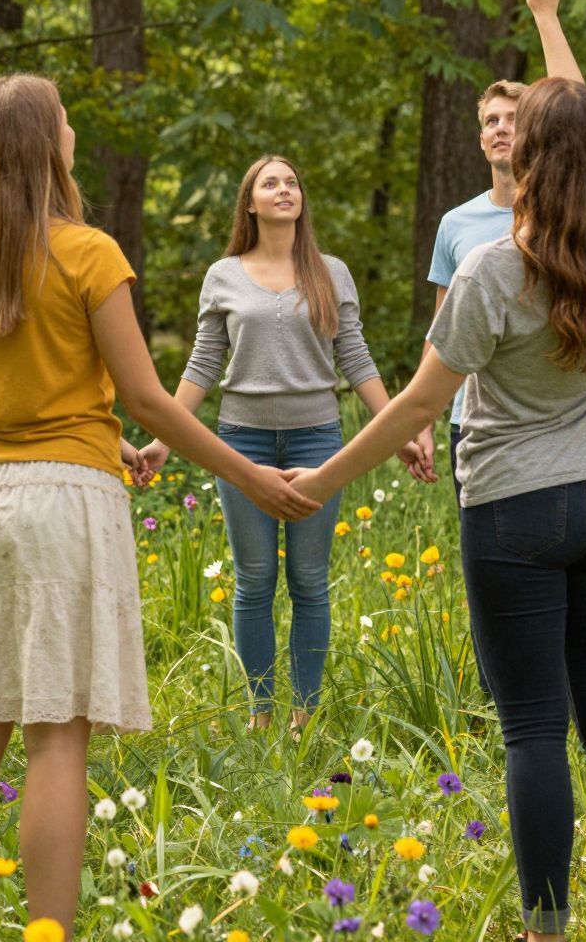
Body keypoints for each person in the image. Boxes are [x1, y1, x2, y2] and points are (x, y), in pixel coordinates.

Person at [0, 74, 317, 942]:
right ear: (39, 143)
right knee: (58, 736)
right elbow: (148, 398)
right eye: (62, 119)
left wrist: (24, 466)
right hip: (67, 502)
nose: (70, 128)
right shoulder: (88, 251)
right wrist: (250, 474)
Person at [294, 76, 586, 942]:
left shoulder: (495, 267)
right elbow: (577, 108)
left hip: (516, 512)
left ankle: (544, 932)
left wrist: (320, 481)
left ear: (528, 158)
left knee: (534, 726)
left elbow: (421, 405)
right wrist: (549, 16)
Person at [135, 153, 396, 732]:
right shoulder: (223, 275)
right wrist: (164, 441)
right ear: (250, 204)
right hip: (241, 443)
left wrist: (398, 429)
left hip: (319, 441)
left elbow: (354, 357)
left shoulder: (332, 271)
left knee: (308, 579)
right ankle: (260, 712)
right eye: (269, 183)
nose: (284, 189)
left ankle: (302, 713)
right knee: (254, 581)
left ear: (301, 200)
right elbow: (203, 364)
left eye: (292, 182)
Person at [426, 0, 586, 489]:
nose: (500, 129)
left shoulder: (565, 211)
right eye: (490, 121)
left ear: (536, 133)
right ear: (479, 139)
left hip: (557, 413)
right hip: (472, 418)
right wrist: (424, 417)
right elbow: (441, 327)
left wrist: (546, 14)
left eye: (514, 120)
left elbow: (580, 122)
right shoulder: (455, 224)